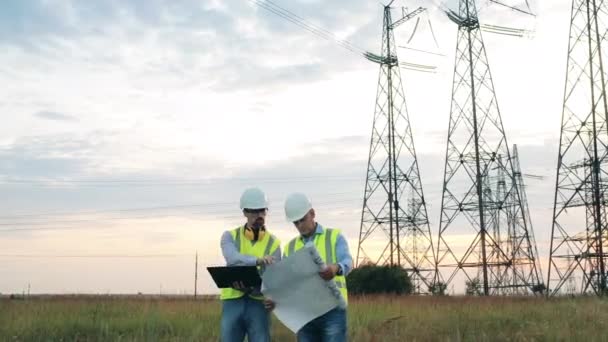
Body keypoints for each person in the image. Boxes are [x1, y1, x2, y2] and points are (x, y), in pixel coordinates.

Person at [283, 192, 352, 342]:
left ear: (312, 214)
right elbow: (285, 280)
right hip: (305, 313)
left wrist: (335, 268)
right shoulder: (290, 247)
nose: (300, 225)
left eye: (302, 220)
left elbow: (347, 261)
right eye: (296, 222)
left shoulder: (334, 237)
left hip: (333, 309)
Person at [219, 187, 281, 342]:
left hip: (258, 303)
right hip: (232, 301)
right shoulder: (229, 236)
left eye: (262, 211)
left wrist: (272, 297)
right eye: (253, 211)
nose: (258, 215)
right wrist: (258, 260)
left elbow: (275, 277)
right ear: (245, 213)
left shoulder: (274, 243)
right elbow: (232, 258)